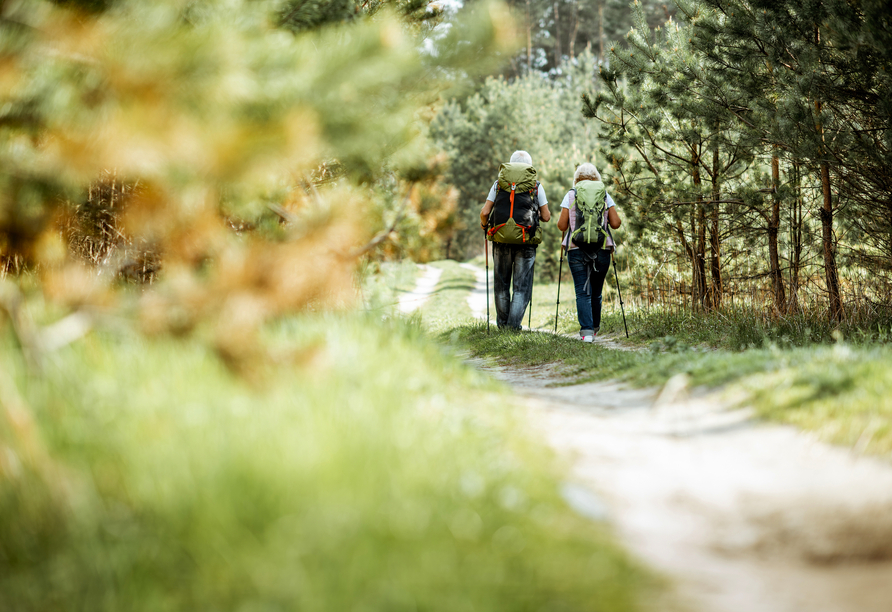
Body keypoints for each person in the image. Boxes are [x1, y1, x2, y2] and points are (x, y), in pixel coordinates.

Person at [479, 150, 552, 330]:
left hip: (501, 239)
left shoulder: (498, 184)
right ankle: (513, 328)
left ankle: (503, 327)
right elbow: (547, 216)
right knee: (521, 287)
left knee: (501, 284)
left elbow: (485, 212)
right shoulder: (535, 186)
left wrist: (484, 225)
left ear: (510, 165)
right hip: (526, 240)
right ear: (529, 166)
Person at [557, 163, 621, 342]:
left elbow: (562, 226)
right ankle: (594, 328)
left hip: (576, 248)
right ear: (597, 178)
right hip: (602, 248)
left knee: (582, 291)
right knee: (596, 291)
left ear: (576, 179)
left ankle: (586, 333)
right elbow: (615, 223)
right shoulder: (604, 195)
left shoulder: (571, 194)